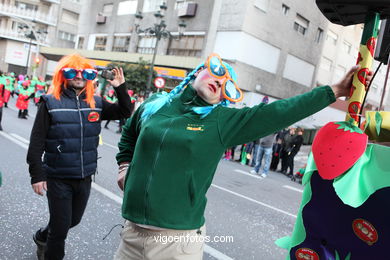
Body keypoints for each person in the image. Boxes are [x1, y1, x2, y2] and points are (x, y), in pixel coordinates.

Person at [114, 53, 368, 260]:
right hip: (132, 234)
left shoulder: (221, 122)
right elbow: (129, 134)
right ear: (198, 71)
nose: (220, 83)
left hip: (176, 242)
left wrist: (333, 91)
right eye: (217, 72)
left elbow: (280, 112)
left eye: (228, 87)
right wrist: (124, 167)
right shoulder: (155, 104)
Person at [26, 53, 133, 260]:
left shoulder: (97, 102)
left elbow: (125, 112)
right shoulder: (50, 102)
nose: (78, 76)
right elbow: (36, 141)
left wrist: (120, 87)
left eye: (84, 72)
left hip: (84, 175)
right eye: (72, 71)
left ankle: (41, 236)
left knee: (71, 221)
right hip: (57, 176)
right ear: (63, 75)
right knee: (60, 230)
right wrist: (37, 175)